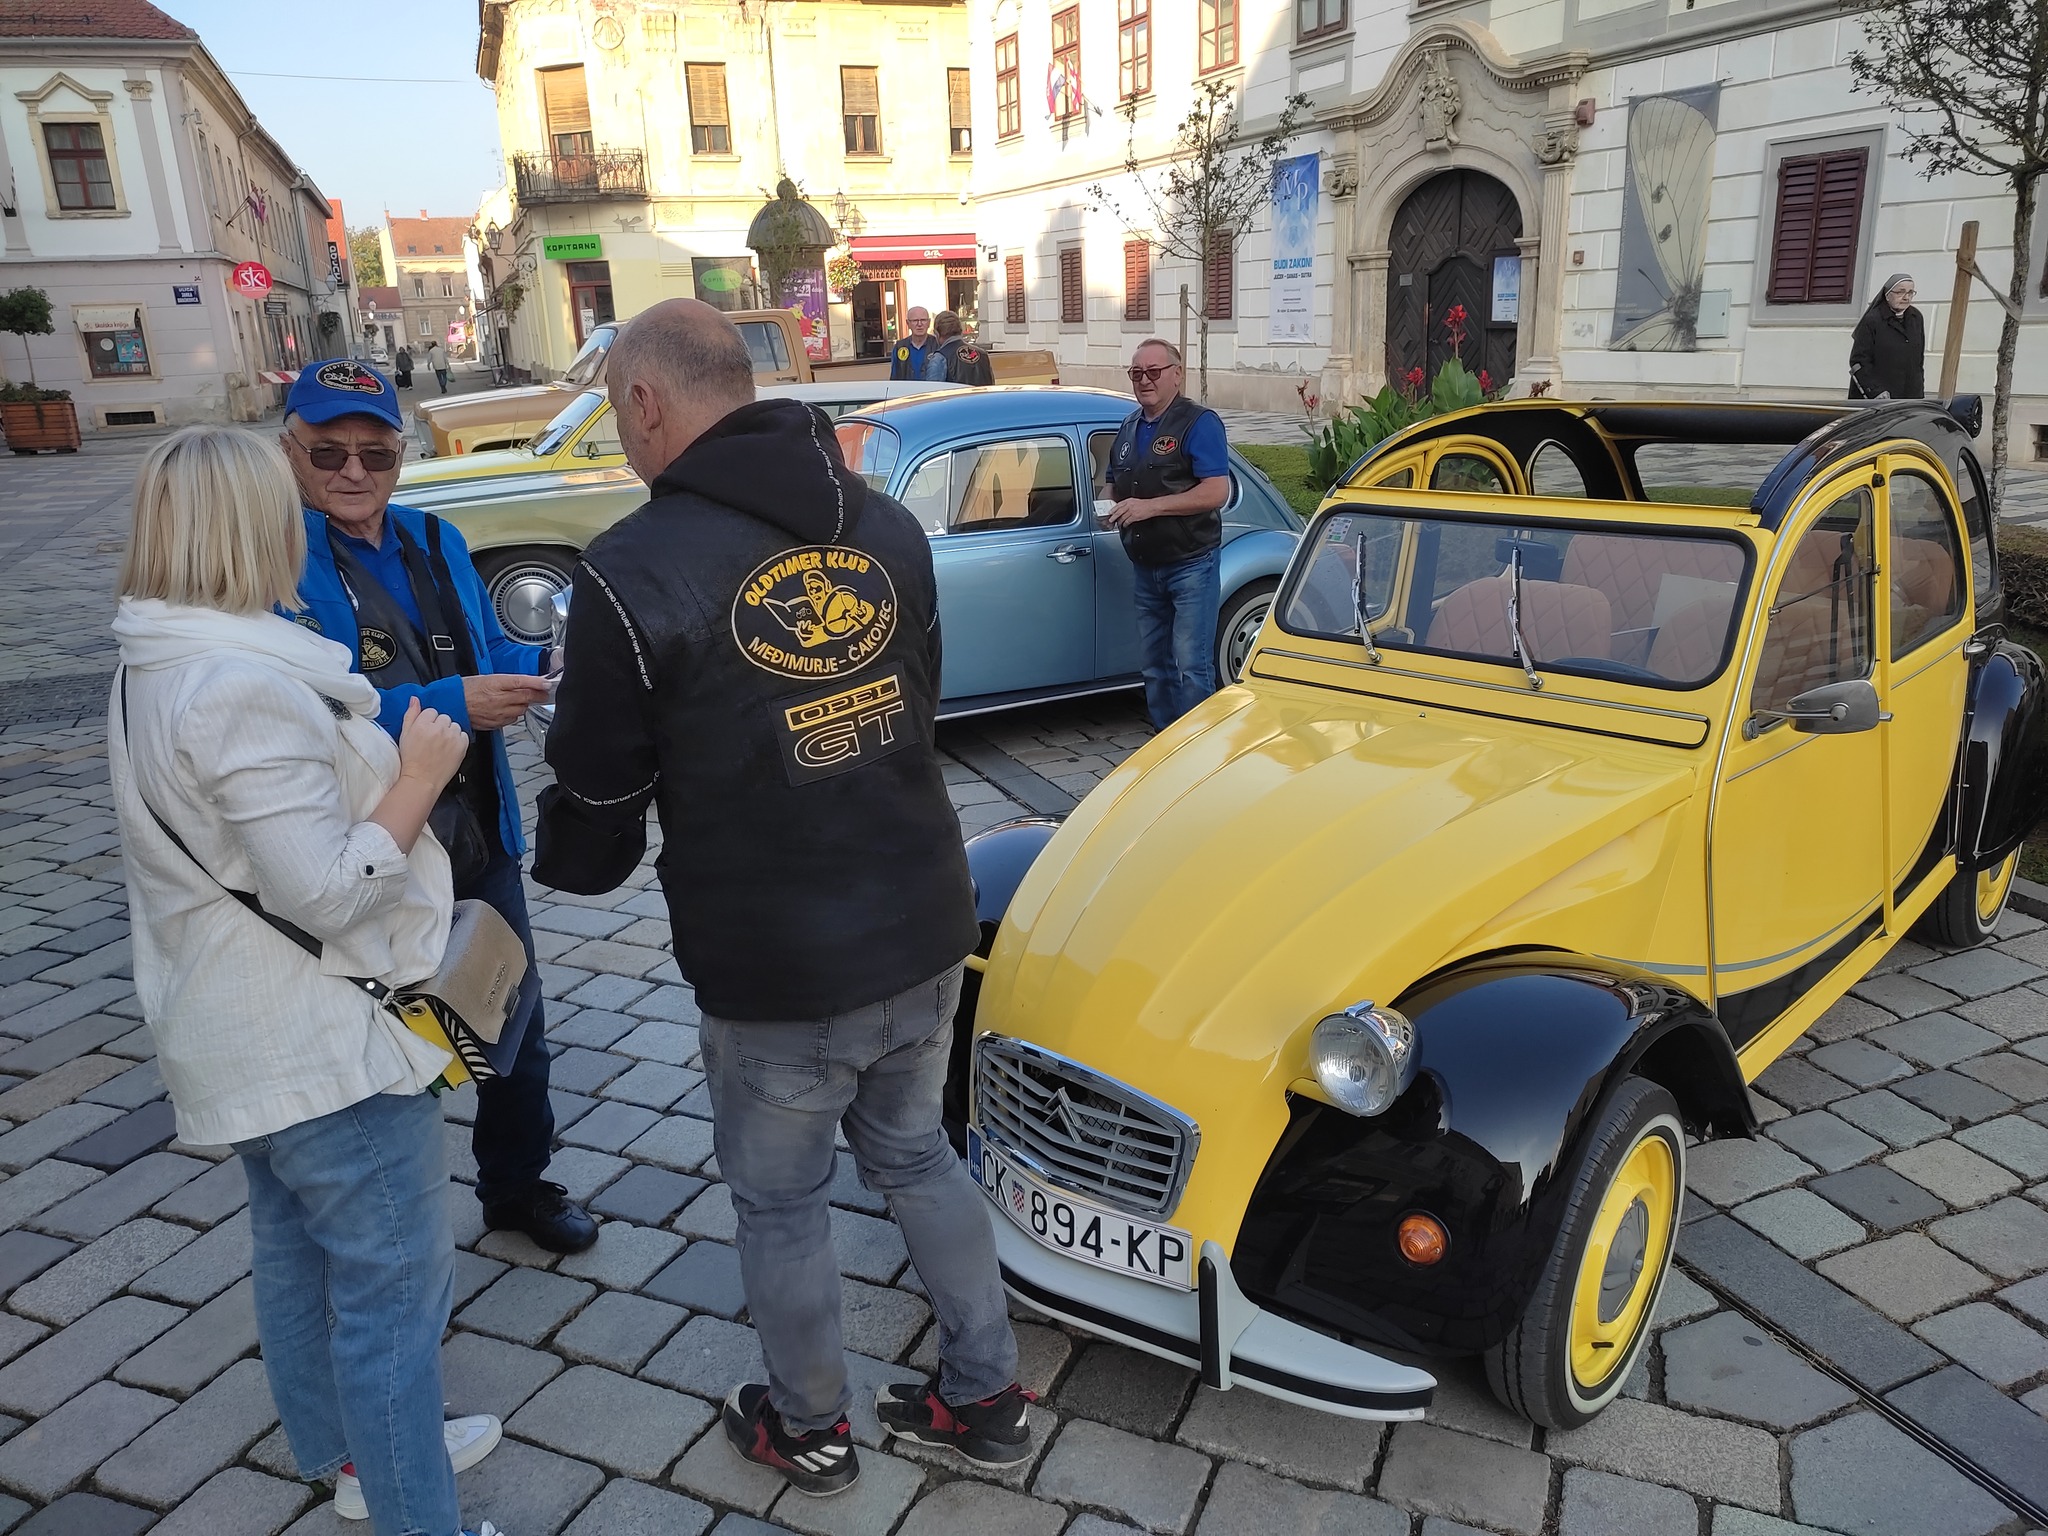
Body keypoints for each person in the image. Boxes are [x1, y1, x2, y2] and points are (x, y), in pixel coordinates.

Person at [532, 299, 1028, 1497]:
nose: (622, 439)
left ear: (646, 402)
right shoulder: (884, 521)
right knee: (918, 1159)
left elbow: (599, 802)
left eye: (616, 415)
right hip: (922, 913)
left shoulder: (630, 569)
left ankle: (808, 1427)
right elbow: (917, 704)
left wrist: (564, 844)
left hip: (779, 961)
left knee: (783, 1204)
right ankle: (987, 1399)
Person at [110, 426, 506, 1536]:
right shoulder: (235, 685)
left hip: (246, 1026)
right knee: (393, 1297)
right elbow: (328, 891)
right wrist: (420, 773)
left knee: (294, 1256)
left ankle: (354, 1457)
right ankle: (411, 1511)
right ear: (252, 530)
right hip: (321, 1044)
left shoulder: (160, 657)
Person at [280, 359, 596, 1256]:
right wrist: (456, 701)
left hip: (478, 827)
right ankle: (382, 1227)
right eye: (328, 452)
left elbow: (488, 649)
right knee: (375, 1041)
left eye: (375, 454)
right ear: (289, 449)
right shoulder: (273, 558)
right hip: (362, 846)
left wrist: (540, 670)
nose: (353, 471)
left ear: (400, 454)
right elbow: (302, 711)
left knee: (511, 1017)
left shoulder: (436, 537)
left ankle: (516, 1185)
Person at [1102, 338, 1232, 729]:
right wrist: (1106, 507)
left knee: (1192, 663)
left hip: (1191, 563)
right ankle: (1165, 740)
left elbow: (1217, 491)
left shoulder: (1199, 423)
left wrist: (1150, 507)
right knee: (1154, 664)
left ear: (1177, 375)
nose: (1145, 380)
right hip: (1146, 564)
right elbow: (1113, 483)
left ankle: (1196, 745)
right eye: (1137, 373)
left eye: (1154, 372)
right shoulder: (1128, 425)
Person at [1849, 273, 1926, 401]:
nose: (1906, 297)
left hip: (1909, 396)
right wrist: (1875, 391)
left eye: (1910, 292)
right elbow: (1859, 361)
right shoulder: (1872, 320)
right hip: (1878, 397)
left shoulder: (1916, 317)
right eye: (1900, 292)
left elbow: (1918, 360)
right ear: (1887, 294)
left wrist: (1918, 393)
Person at [923, 310, 994, 386]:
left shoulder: (940, 358)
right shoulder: (982, 354)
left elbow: (933, 389)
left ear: (937, 334)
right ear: (961, 331)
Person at [888, 307, 938, 380]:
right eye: (915, 321)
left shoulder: (938, 345)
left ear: (929, 323)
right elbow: (894, 377)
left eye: (923, 320)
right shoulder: (899, 347)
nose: (919, 324)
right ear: (908, 323)